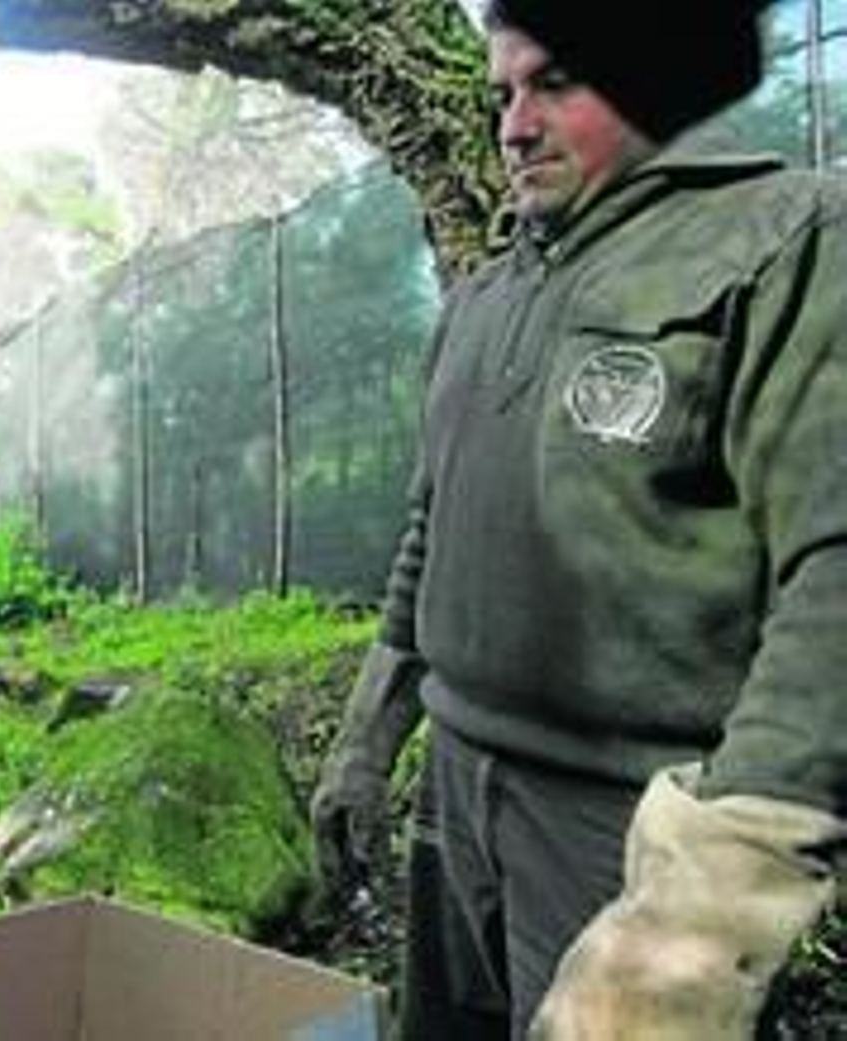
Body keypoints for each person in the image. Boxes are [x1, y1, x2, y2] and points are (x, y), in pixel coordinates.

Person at [310, 3, 846, 1038]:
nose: (512, 125)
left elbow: (833, 572)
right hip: (455, 790)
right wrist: (370, 737)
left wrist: (707, 906)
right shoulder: (481, 292)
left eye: (554, 83)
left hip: (630, 826)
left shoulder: (785, 238)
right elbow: (433, 524)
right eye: (501, 93)